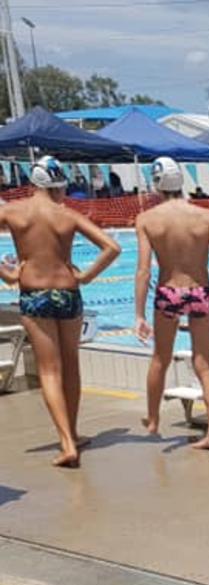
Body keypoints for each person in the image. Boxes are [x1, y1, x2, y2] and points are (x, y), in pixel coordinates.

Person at [0, 156, 120, 467]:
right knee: (71, 365)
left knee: (49, 370)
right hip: (68, 292)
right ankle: (74, 432)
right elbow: (112, 247)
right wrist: (87, 276)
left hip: (34, 294)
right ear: (57, 185)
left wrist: (7, 274)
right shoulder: (66, 215)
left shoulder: (12, 212)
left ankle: (66, 442)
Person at [133, 157, 209, 451]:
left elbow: (144, 271)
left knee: (160, 359)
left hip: (168, 293)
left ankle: (152, 421)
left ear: (156, 184)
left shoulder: (147, 220)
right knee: (203, 362)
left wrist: (138, 314)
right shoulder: (207, 217)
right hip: (200, 291)